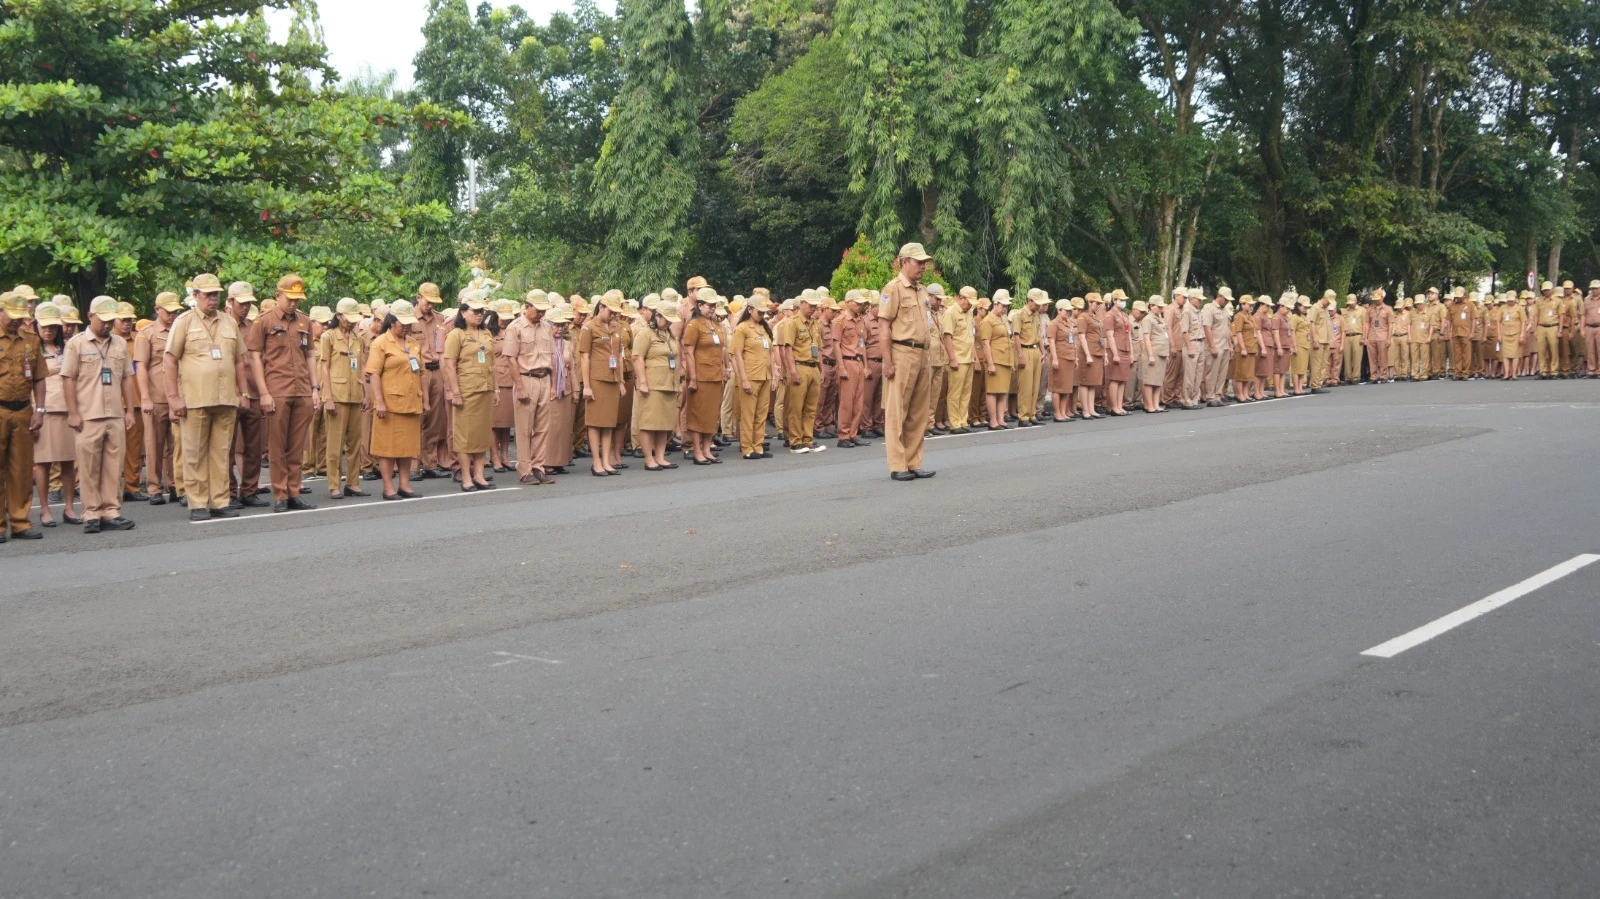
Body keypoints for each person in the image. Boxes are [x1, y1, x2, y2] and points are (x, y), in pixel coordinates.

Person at [164, 274, 250, 520]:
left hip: (226, 398)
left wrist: (243, 393)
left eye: (216, 294)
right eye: (207, 295)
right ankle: (198, 503)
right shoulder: (184, 322)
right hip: (196, 398)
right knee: (195, 453)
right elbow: (169, 360)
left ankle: (219, 501)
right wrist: (174, 397)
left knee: (222, 452)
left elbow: (239, 360)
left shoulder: (229, 322)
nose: (213, 299)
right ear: (195, 296)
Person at [61, 296, 137, 533]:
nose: (106, 325)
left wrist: (130, 410)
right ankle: (91, 513)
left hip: (114, 412)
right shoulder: (76, 344)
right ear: (90, 316)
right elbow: (68, 379)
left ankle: (111, 511)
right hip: (88, 415)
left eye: (109, 321)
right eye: (102, 320)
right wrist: (72, 413)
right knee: (88, 466)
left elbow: (127, 377)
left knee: (114, 465)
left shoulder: (119, 344)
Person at [246, 274, 317, 512]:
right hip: (277, 389)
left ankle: (295, 491)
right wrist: (263, 392)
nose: (294, 303)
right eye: (290, 298)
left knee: (297, 446)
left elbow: (309, 356)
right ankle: (280, 493)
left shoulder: (304, 322)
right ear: (278, 296)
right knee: (277, 447)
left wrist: (315, 388)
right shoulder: (263, 322)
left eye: (298, 299)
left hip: (302, 389)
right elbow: (255, 357)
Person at [877, 243, 936, 481]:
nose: (923, 266)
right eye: (918, 262)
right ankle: (898, 464)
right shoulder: (893, 288)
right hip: (902, 352)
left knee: (918, 412)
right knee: (896, 411)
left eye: (924, 262)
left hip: (922, 353)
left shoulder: (921, 290)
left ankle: (913, 461)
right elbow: (883, 327)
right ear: (903, 262)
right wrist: (888, 361)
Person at [365, 300, 426, 499]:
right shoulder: (381, 342)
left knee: (407, 447)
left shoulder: (413, 344)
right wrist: (379, 401)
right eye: (403, 324)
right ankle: (388, 487)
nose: (407, 328)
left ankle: (405, 485)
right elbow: (373, 373)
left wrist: (424, 399)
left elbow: (421, 372)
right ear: (392, 322)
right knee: (388, 447)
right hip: (390, 404)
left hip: (411, 402)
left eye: (409, 324)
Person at [1, 290, 48, 541]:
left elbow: (40, 377)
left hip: (23, 410)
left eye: (21, 315)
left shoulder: (31, 339)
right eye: (12, 315)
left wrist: (39, 410)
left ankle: (20, 522)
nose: (18, 320)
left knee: (21, 469)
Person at [30, 303, 79, 528]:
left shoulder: (68, 347)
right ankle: (45, 510)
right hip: (43, 410)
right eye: (44, 326)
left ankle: (69, 508)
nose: (48, 331)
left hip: (67, 409)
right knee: (43, 463)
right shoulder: (31, 349)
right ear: (36, 325)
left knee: (68, 460)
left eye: (53, 327)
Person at [502, 291, 558, 485]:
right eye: (538, 309)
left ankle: (538, 467)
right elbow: (511, 359)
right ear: (527, 307)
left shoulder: (546, 327)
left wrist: (551, 384)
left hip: (544, 377)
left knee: (542, 428)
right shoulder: (514, 327)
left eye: (543, 310)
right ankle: (525, 469)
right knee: (524, 429)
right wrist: (520, 387)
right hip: (526, 378)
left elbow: (551, 355)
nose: (541, 313)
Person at [135, 292, 182, 505]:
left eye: (176, 311)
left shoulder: (181, 330)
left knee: (177, 445)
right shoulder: (147, 334)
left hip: (179, 397)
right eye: (168, 311)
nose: (173, 315)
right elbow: (141, 367)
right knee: (154, 444)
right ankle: (154, 486)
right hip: (156, 397)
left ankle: (175, 485)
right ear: (157, 310)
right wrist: (145, 397)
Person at [318, 298, 367, 500]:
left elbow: (361, 366)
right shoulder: (328, 337)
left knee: (355, 443)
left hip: (355, 394)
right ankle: (334, 484)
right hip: (336, 396)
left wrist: (365, 393)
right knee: (335, 444)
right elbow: (324, 367)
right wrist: (327, 397)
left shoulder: (358, 338)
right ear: (338, 316)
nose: (352, 322)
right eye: (348, 318)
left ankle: (353, 483)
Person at [577, 292, 627, 476]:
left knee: (609, 423)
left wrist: (621, 380)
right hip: (597, 380)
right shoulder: (589, 328)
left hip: (612, 379)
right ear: (602, 307)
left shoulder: (616, 327)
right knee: (595, 422)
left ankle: (606, 461)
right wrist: (587, 385)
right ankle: (596, 462)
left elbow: (619, 357)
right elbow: (585, 357)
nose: (614, 316)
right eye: (611, 312)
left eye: (616, 312)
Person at [631, 299, 680, 471]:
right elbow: (637, 357)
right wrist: (643, 382)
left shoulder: (669, 334)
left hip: (669, 383)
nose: (669, 322)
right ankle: (649, 458)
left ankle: (660, 457)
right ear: (656, 316)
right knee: (649, 423)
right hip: (653, 384)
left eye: (671, 320)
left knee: (664, 424)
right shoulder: (645, 333)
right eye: (666, 319)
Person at [681, 289, 730, 463]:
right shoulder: (694, 325)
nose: (712, 309)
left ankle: (707, 449)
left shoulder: (716, 325)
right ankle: (697, 451)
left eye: (714, 305)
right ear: (700, 305)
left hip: (715, 375)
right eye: (709, 305)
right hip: (700, 376)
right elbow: (688, 352)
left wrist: (724, 369)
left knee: (712, 415)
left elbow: (720, 350)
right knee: (698, 414)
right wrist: (692, 377)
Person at [775, 291, 824, 454]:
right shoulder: (792, 323)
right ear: (802, 303)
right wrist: (792, 371)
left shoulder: (814, 323)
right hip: (799, 366)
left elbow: (819, 348)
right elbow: (787, 348)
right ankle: (795, 440)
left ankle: (807, 439)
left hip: (813, 366)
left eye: (815, 306)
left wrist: (821, 370)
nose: (813, 309)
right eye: (810, 306)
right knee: (796, 407)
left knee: (811, 407)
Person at [412, 282, 452, 478]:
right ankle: (412, 465)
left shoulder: (440, 320)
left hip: (437, 371)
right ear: (419, 297)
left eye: (433, 303)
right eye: (428, 302)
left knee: (435, 419)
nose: (430, 306)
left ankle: (430, 463)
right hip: (418, 372)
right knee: (416, 417)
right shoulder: (408, 319)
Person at [540, 303, 579, 474]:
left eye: (562, 325)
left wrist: (576, 389)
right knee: (551, 427)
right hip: (549, 389)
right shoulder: (542, 343)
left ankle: (561, 460)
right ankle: (547, 462)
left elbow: (572, 368)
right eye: (556, 325)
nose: (560, 328)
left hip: (565, 389)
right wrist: (549, 388)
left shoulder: (567, 343)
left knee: (564, 427)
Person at [831, 291, 869, 448]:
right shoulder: (839, 321)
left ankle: (853, 433)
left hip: (858, 362)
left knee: (859, 402)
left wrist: (866, 365)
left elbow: (862, 344)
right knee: (846, 402)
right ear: (848, 302)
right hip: (847, 362)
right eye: (857, 303)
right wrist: (841, 367)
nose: (860, 305)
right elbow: (836, 345)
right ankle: (843, 435)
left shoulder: (860, 321)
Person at [979, 291, 1017, 430]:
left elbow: (1009, 340)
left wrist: (1012, 362)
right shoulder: (988, 321)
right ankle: (993, 421)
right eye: (1003, 305)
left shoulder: (1003, 319)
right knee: (993, 391)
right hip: (995, 360)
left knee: (1003, 391)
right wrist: (990, 363)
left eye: (1007, 306)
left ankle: (1001, 419)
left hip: (1005, 359)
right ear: (995, 304)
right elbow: (985, 343)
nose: (1005, 308)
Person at [942, 287, 977, 433]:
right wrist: (952, 359)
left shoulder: (969, 313)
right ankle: (954, 423)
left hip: (968, 357)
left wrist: (973, 356)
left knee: (966, 392)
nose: (970, 305)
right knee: (955, 393)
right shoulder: (951, 312)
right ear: (960, 298)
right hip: (958, 358)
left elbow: (971, 336)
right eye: (968, 302)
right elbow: (947, 337)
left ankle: (963, 421)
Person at [488, 300, 516, 472]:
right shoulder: (488, 334)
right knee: (494, 422)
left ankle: (505, 455)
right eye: (502, 318)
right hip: (495, 380)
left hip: (511, 379)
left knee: (507, 422)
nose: (505, 321)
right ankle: (495, 456)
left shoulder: (513, 332)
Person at [1012, 289, 1046, 426]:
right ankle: (1023, 416)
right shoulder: (1019, 315)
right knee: (1025, 386)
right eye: (1036, 303)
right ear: (1029, 300)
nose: (1039, 306)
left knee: (1035, 385)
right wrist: (1019, 355)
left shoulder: (1036, 315)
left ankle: (1032, 414)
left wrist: (1043, 352)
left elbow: (1039, 335)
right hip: (1025, 350)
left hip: (1035, 350)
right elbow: (1016, 336)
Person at [1074, 296, 1105, 419]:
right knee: (1085, 382)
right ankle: (1085, 410)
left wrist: (1105, 354)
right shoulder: (1083, 317)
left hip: (1097, 351)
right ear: (1089, 303)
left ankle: (1091, 409)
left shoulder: (1096, 316)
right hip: (1088, 353)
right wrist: (1087, 354)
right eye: (1096, 303)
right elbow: (1081, 336)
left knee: (1093, 383)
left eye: (1099, 303)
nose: (1098, 305)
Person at [1047, 298, 1077, 420]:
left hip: (1069, 357)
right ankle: (1057, 413)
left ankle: (1063, 412)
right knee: (1058, 387)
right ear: (1059, 310)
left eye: (1070, 311)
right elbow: (1051, 341)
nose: (1069, 313)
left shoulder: (1069, 323)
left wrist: (1075, 358)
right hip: (1060, 357)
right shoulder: (1053, 324)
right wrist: (1054, 358)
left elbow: (1073, 342)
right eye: (1066, 311)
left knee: (1067, 387)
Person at [1137, 297, 1168, 413]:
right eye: (1158, 307)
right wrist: (1150, 354)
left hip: (1162, 352)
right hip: (1153, 352)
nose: (1160, 309)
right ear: (1151, 306)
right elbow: (1146, 337)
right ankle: (1149, 405)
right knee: (1150, 380)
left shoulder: (1160, 319)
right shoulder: (1148, 319)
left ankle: (1156, 404)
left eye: (1161, 307)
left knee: (1158, 380)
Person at [1202, 288, 1232, 405]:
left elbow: (1227, 329)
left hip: (1224, 346)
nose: (1227, 302)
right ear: (1219, 296)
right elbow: (1207, 328)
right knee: (1212, 372)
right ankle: (1210, 396)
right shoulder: (1209, 308)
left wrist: (1230, 345)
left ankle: (1218, 395)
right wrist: (1212, 346)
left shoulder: (1225, 310)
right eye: (1225, 299)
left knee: (1222, 373)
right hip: (1215, 345)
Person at [1231, 295, 1260, 402]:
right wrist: (1242, 347)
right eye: (1249, 304)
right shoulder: (1239, 316)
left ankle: (1245, 393)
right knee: (1241, 373)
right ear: (1242, 305)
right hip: (1244, 348)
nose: (1251, 306)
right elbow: (1238, 332)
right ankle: (1239, 394)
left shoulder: (1250, 316)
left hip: (1251, 347)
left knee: (1248, 373)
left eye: (1252, 304)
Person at [1291, 297, 1312, 394]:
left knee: (1303, 368)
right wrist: (1294, 346)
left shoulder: (1304, 317)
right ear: (1299, 306)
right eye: (1304, 307)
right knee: (1296, 368)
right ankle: (1296, 388)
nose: (1306, 309)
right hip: (1298, 344)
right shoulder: (1294, 317)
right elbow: (1292, 332)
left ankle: (1300, 387)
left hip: (1306, 344)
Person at [1585, 281, 1600, 377]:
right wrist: (1582, 329)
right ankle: (1591, 369)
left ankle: (1599, 370)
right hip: (1589, 327)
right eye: (1592, 288)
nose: (1594, 290)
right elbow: (1583, 315)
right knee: (1590, 350)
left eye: (1596, 288)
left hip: (1599, 326)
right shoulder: (1587, 300)